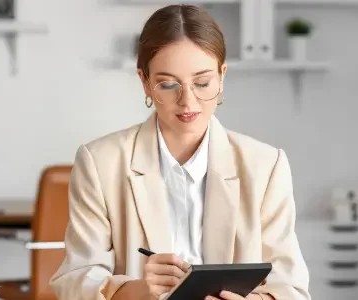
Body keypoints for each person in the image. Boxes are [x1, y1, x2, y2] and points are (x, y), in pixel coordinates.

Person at [49, 4, 310, 300]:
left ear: (222, 76)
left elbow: (291, 289)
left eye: (202, 82)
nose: (188, 101)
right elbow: (75, 281)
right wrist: (138, 291)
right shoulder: (100, 162)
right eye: (168, 84)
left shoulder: (265, 165)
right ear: (145, 82)